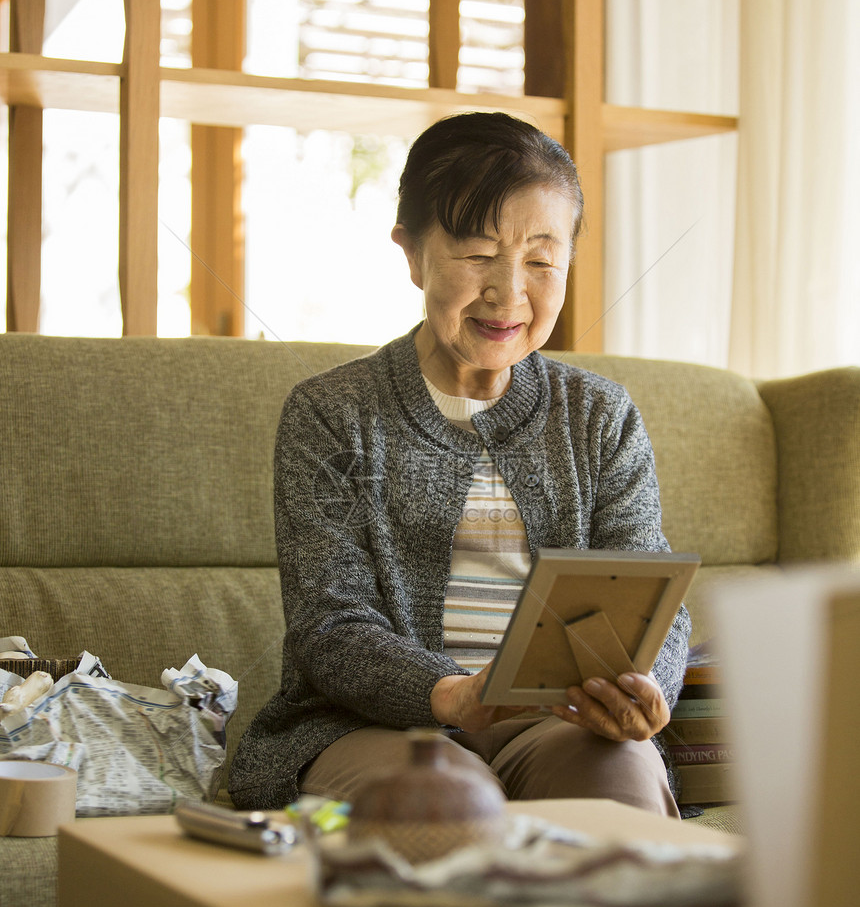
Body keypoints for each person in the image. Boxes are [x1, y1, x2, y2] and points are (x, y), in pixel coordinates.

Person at [229, 112, 690, 818]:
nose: (510, 293)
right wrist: (454, 695)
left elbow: (652, 597)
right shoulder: (331, 413)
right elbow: (331, 627)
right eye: (477, 254)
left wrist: (644, 685)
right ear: (412, 253)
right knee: (442, 805)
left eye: (540, 259)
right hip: (371, 727)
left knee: (620, 798)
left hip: (555, 722)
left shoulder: (599, 415)